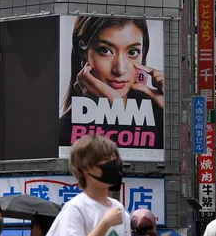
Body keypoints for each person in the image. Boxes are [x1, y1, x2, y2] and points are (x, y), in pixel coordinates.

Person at [58, 16, 164, 148]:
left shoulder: (160, 114)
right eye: (105, 50)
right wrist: (115, 109)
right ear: (82, 53)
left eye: (132, 52)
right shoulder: (63, 133)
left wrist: (172, 109)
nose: (119, 69)